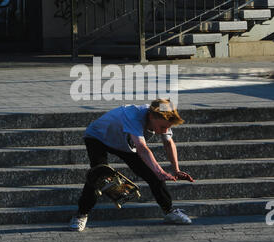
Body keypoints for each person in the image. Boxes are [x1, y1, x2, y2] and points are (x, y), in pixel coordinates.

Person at [69, 98, 194, 232]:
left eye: (167, 127)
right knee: (98, 174)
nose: (164, 131)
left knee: (153, 174)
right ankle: (81, 214)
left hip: (123, 143)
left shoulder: (162, 115)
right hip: (97, 138)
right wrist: (160, 171)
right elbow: (142, 147)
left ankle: (169, 212)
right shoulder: (134, 115)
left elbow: (168, 143)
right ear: (151, 116)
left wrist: (176, 169)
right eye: (162, 127)